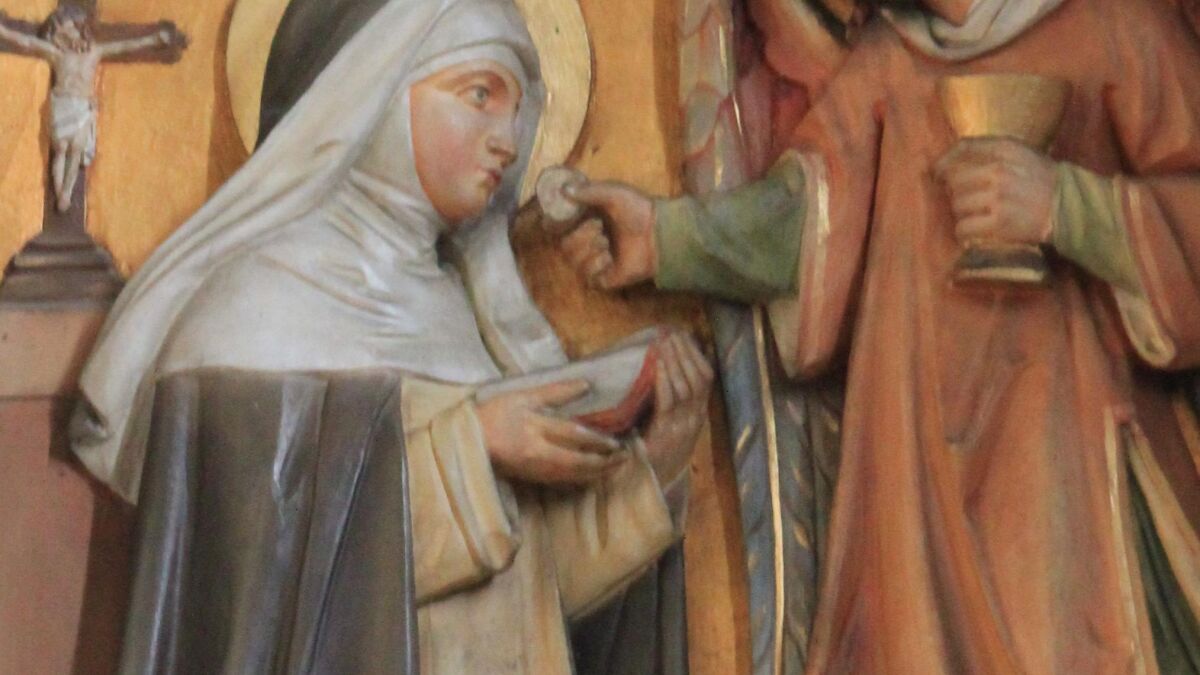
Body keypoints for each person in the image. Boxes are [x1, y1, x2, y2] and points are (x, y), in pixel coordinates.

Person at [70, 0, 710, 672]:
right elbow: (261, 589)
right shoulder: (244, 312)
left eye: (517, 110)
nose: (509, 140)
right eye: (480, 95)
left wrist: (654, 467)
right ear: (369, 86)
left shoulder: (474, 323)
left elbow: (527, 600)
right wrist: (473, 446)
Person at [562, 0, 1200, 671]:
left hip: (1067, 485)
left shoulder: (1119, 27)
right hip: (912, 471)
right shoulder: (891, 60)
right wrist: (662, 237)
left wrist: (1067, 206)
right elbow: (802, 219)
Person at [0, 6, 184, 211]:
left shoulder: (94, 52)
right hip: (62, 103)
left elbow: (124, 46)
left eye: (65, 27)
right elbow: (27, 42)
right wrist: (3, 32)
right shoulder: (57, 54)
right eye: (58, 29)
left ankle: (66, 193)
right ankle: (59, 191)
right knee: (60, 148)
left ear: (79, 29)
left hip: (82, 105)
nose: (61, 31)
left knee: (76, 149)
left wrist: (153, 40)